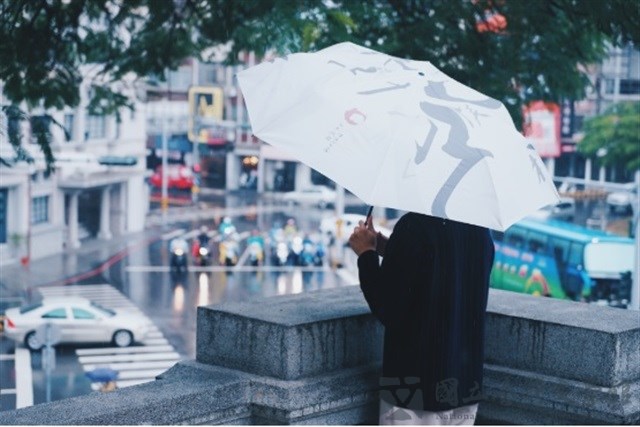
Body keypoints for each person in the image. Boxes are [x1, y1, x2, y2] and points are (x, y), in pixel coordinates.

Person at [348, 213, 495, 425]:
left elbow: (387, 307)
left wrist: (366, 254)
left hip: (414, 388)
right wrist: (387, 247)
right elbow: (444, 266)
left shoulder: (413, 226)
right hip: (464, 385)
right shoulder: (480, 228)